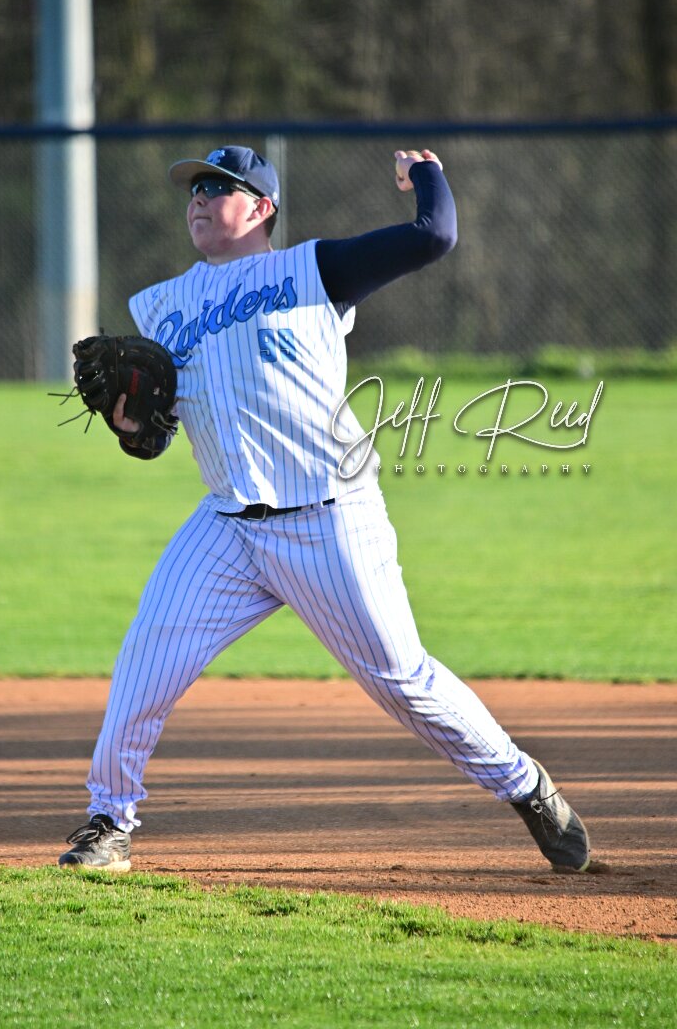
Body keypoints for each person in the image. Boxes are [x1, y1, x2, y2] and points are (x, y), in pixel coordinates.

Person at [58, 144, 592, 874]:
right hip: (227, 527)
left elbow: (434, 235)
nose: (198, 198)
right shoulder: (159, 306)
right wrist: (130, 428)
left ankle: (525, 785)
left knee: (406, 683)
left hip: (330, 518)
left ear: (262, 208)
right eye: (193, 189)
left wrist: (424, 175)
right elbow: (157, 436)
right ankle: (109, 823)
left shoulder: (311, 271)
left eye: (217, 187)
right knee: (144, 664)